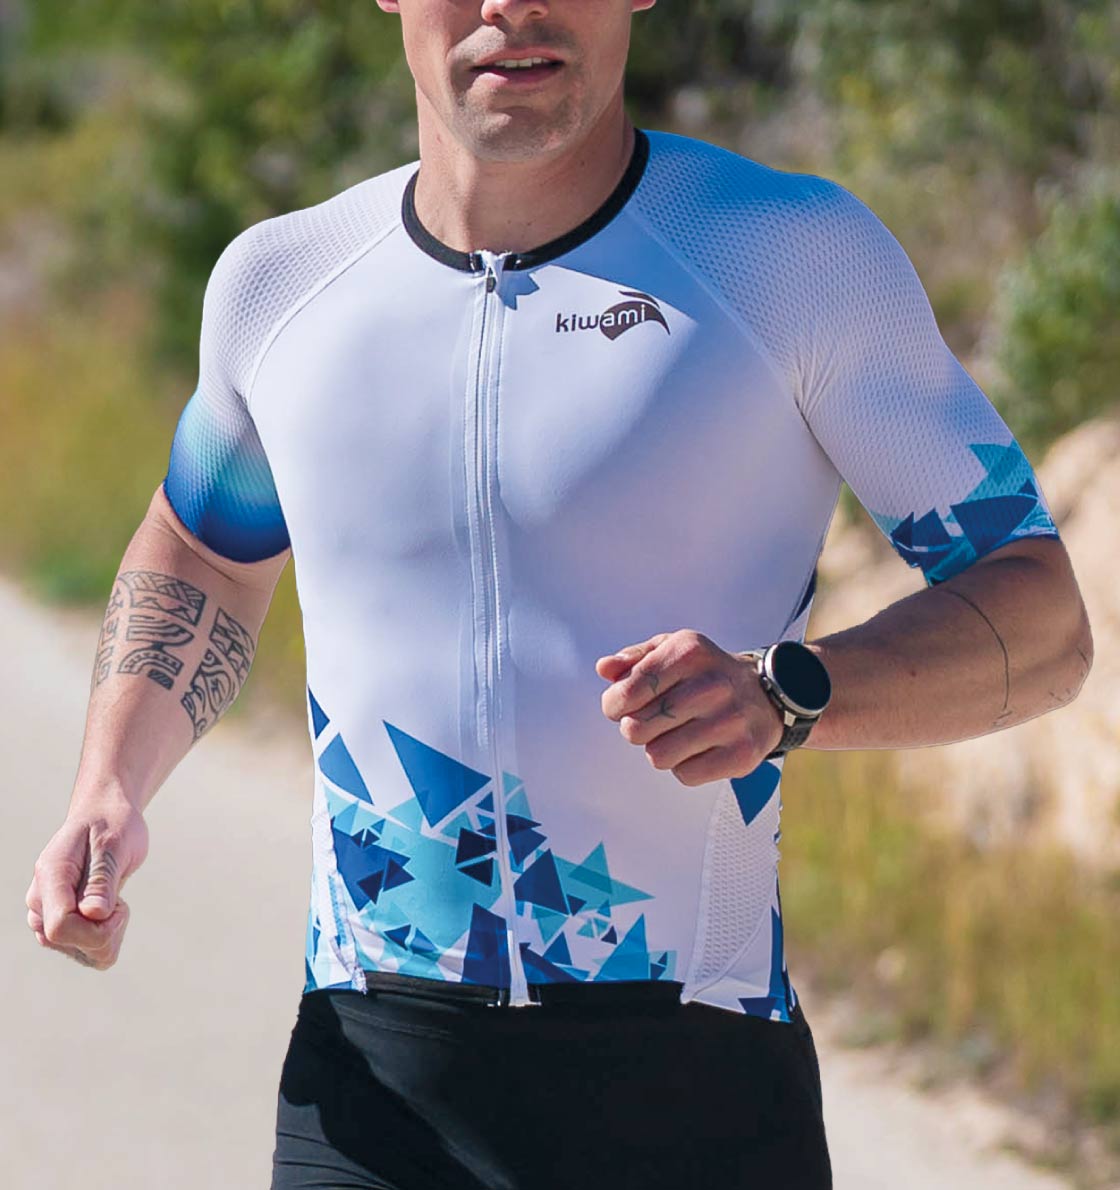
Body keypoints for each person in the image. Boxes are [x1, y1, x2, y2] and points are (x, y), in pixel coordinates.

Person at [25, 1, 1093, 1186]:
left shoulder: (785, 259)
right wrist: (109, 783)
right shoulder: (284, 285)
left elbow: (1039, 615)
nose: (510, 6)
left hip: (692, 1082)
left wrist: (791, 695)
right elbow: (206, 549)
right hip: (371, 1088)